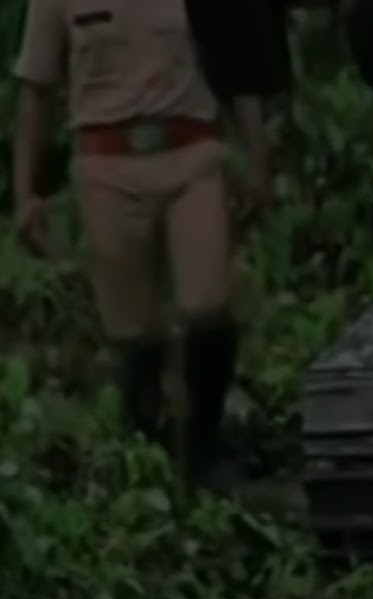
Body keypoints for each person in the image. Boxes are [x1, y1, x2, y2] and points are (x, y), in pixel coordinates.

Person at [11, 0, 275, 490]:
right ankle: (147, 452)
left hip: (192, 150)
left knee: (207, 308)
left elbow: (236, 69)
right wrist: (26, 193)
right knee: (134, 329)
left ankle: (204, 448)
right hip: (106, 161)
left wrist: (257, 159)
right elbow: (35, 90)